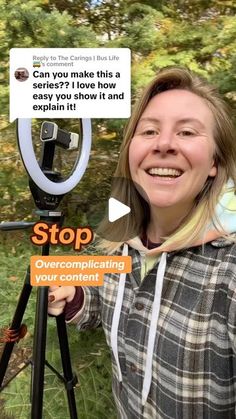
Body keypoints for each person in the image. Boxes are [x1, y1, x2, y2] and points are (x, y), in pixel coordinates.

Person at [48, 66, 236, 419]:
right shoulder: (120, 234)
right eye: (149, 130)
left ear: (215, 161)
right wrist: (75, 299)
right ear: (131, 153)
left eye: (187, 131)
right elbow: (114, 306)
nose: (163, 144)